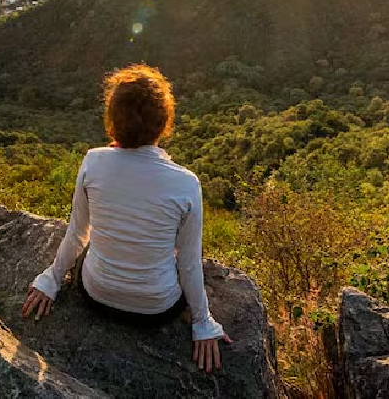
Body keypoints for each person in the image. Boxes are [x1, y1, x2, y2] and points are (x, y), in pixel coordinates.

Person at [21, 64, 231, 373]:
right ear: (164, 122)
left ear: (113, 118)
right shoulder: (186, 183)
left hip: (96, 294)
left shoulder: (93, 161)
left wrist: (51, 280)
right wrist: (202, 322)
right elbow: (189, 263)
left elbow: (77, 233)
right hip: (157, 309)